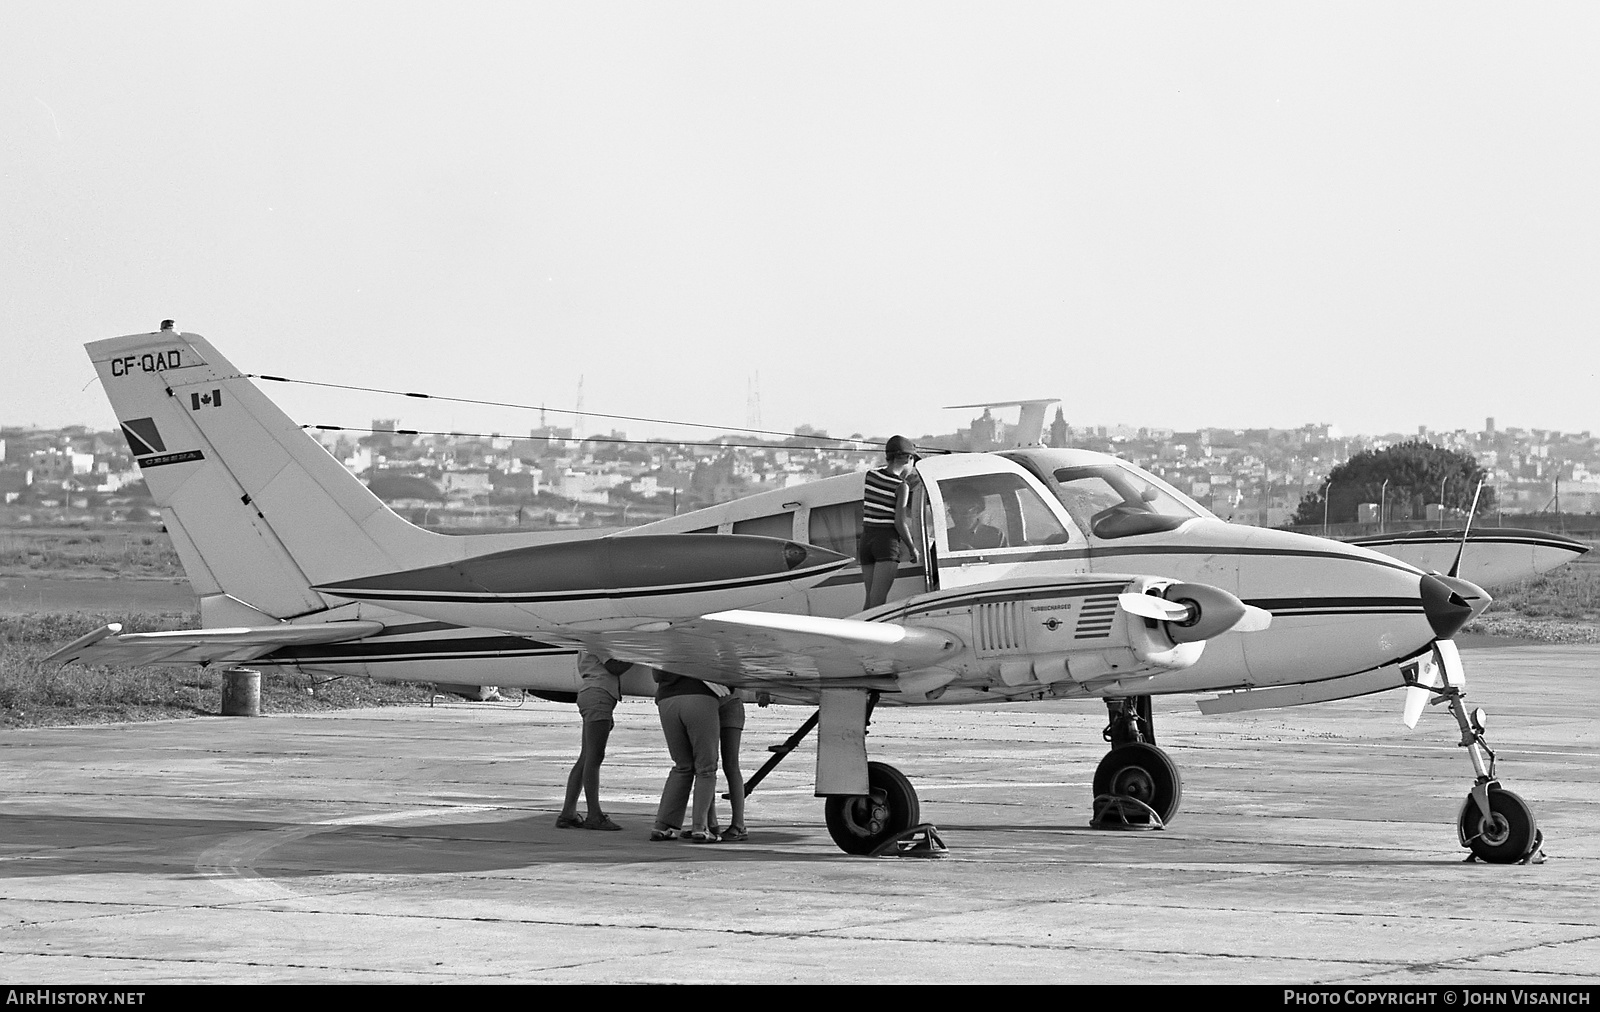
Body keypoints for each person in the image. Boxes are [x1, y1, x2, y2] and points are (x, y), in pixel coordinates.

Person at [555, 652, 631, 831]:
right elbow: (614, 667)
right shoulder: (596, 638)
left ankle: (568, 813)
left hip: (593, 694)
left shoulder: (586, 640)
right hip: (599, 695)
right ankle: (594, 815)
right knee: (594, 758)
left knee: (586, 756)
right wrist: (638, 656)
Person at [648, 669, 723, 843]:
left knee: (682, 766)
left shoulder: (664, 641)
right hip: (700, 697)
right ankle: (699, 827)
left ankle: (662, 825)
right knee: (706, 767)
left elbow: (657, 675)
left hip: (667, 701)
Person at [861, 435, 920, 609]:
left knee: (870, 602)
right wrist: (912, 548)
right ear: (907, 458)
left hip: (866, 542)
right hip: (885, 544)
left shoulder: (870, 476)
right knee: (879, 604)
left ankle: (860, 634)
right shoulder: (901, 486)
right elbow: (899, 522)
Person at [705, 690, 748, 842]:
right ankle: (736, 825)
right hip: (729, 703)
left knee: (708, 766)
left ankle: (711, 823)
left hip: (711, 703)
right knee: (729, 766)